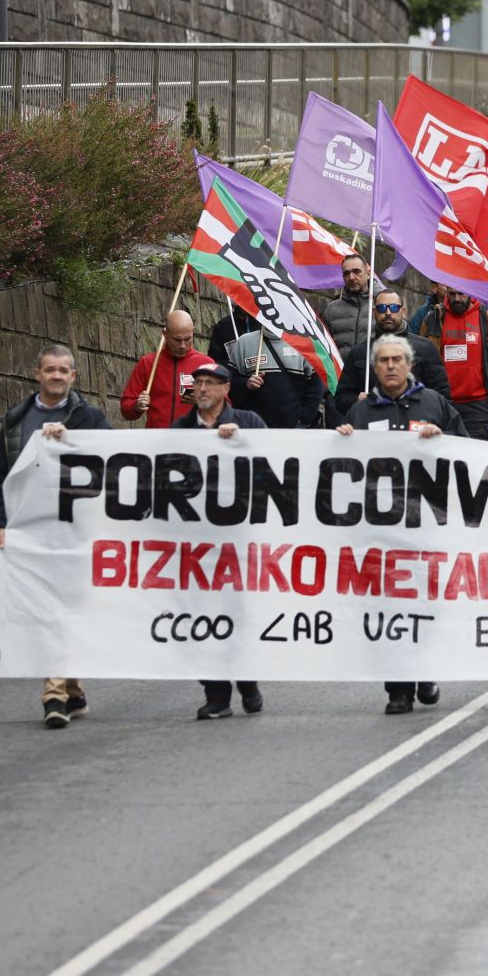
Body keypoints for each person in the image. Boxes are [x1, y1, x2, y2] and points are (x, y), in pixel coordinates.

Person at [336, 335, 467, 712]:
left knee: (425, 604)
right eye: (383, 361)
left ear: (410, 365)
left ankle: (424, 671)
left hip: (426, 527)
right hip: (381, 532)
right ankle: (397, 690)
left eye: (397, 359)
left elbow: (467, 452)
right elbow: (342, 472)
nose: (391, 366)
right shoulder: (360, 415)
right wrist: (342, 440)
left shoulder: (434, 404)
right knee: (389, 606)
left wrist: (444, 439)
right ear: (374, 368)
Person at [0, 344, 111, 729]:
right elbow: (0, 476)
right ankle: (63, 692)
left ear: (73, 376)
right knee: (47, 610)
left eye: (64, 371)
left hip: (77, 533)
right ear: (37, 373)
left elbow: (113, 460)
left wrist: (69, 439)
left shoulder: (89, 418)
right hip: (32, 533)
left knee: (65, 609)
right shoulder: (17, 420)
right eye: (50, 370)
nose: (57, 376)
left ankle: (61, 691)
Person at [171, 363, 270, 719]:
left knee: (237, 614)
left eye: (210, 383)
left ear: (226, 389)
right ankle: (216, 694)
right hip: (195, 546)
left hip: (239, 543)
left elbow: (273, 471)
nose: (201, 389)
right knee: (200, 617)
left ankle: (247, 680)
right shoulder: (180, 429)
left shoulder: (248, 422)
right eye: (197, 383)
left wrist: (244, 442)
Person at [333, 288, 451, 425]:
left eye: (394, 307)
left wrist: (429, 420)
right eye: (382, 308)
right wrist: (356, 401)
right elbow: (340, 399)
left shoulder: (425, 348)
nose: (388, 313)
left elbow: (443, 396)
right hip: (372, 430)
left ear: (403, 311)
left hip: (416, 430)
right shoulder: (360, 352)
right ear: (373, 312)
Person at [415, 285, 488, 443]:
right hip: (444, 404)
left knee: (479, 461)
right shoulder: (434, 318)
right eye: (452, 294)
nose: (457, 299)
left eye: (461, 293)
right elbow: (420, 361)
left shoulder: (486, 317)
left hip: (479, 407)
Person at [208, 306, 323, 429]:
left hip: (293, 430)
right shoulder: (244, 342)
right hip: (253, 429)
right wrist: (245, 383)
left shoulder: (305, 344)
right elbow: (227, 381)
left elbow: (315, 387)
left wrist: (302, 419)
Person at [118, 310, 209, 429]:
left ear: (193, 332)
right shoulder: (148, 363)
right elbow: (126, 409)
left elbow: (225, 407)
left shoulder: (206, 364)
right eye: (177, 340)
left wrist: (206, 401)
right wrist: (136, 406)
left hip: (194, 440)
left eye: (187, 339)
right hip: (156, 440)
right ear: (165, 334)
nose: (182, 345)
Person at [321, 251, 374, 356]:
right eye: (346, 273)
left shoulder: (381, 307)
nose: (351, 277)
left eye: (356, 271)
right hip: (341, 371)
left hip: (372, 371)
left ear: (368, 274)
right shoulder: (331, 310)